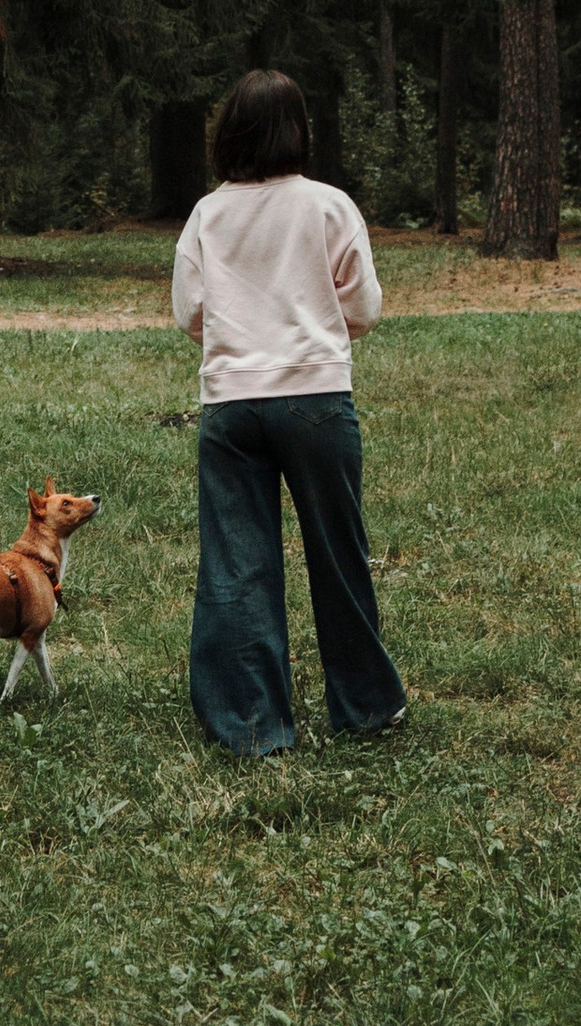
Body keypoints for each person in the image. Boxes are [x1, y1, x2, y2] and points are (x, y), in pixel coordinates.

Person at [173, 67, 406, 756]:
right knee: (339, 557)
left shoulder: (207, 215)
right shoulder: (330, 206)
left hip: (232, 406)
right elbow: (361, 307)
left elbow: (190, 312)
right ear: (300, 129)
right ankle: (364, 707)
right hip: (316, 400)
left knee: (237, 567)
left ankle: (251, 724)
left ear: (230, 134)